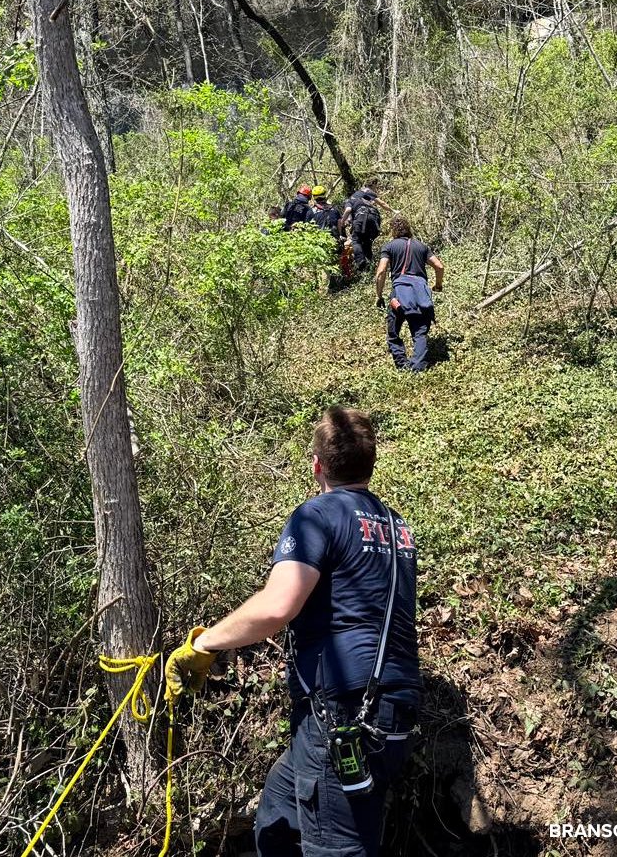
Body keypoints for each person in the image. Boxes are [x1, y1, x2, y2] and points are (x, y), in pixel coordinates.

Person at [165, 407, 420, 857]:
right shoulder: (397, 527)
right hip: (392, 709)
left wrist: (202, 645)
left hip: (343, 712)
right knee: (279, 813)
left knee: (338, 846)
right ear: (371, 462)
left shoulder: (316, 516)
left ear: (317, 464)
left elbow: (277, 605)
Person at [374, 216, 444, 373]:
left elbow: (381, 271)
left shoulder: (389, 247)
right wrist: (438, 285)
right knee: (420, 332)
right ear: (409, 229)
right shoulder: (421, 246)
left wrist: (379, 295)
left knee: (393, 333)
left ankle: (402, 364)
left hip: (398, 295)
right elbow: (439, 266)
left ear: (393, 231)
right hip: (420, 294)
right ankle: (418, 368)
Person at [341, 188, 382, 272]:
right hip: (375, 219)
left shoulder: (349, 202)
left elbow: (348, 211)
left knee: (356, 241)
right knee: (367, 242)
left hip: (362, 217)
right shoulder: (364, 201)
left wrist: (342, 222)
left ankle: (360, 261)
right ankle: (370, 267)